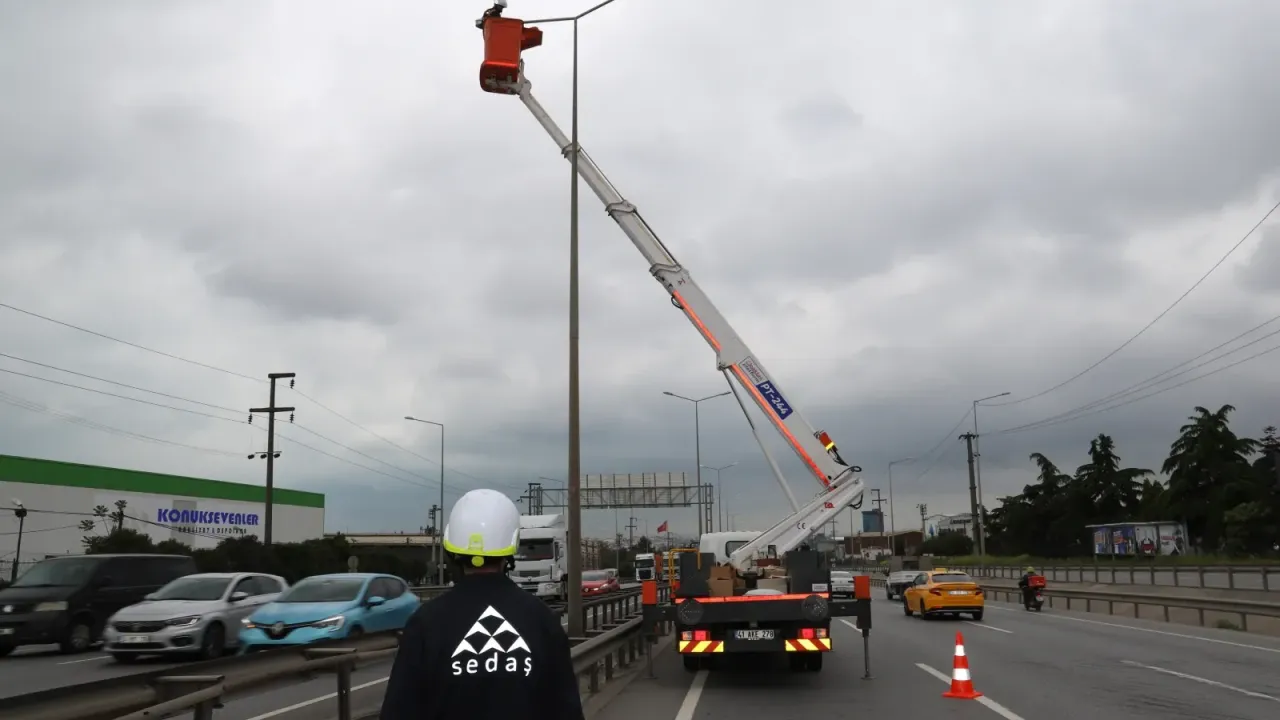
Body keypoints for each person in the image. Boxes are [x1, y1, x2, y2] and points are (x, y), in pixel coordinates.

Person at [380, 489, 585, 720]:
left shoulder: (425, 623)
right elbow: (566, 710)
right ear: (513, 545)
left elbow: (398, 711)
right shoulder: (541, 620)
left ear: (452, 549)